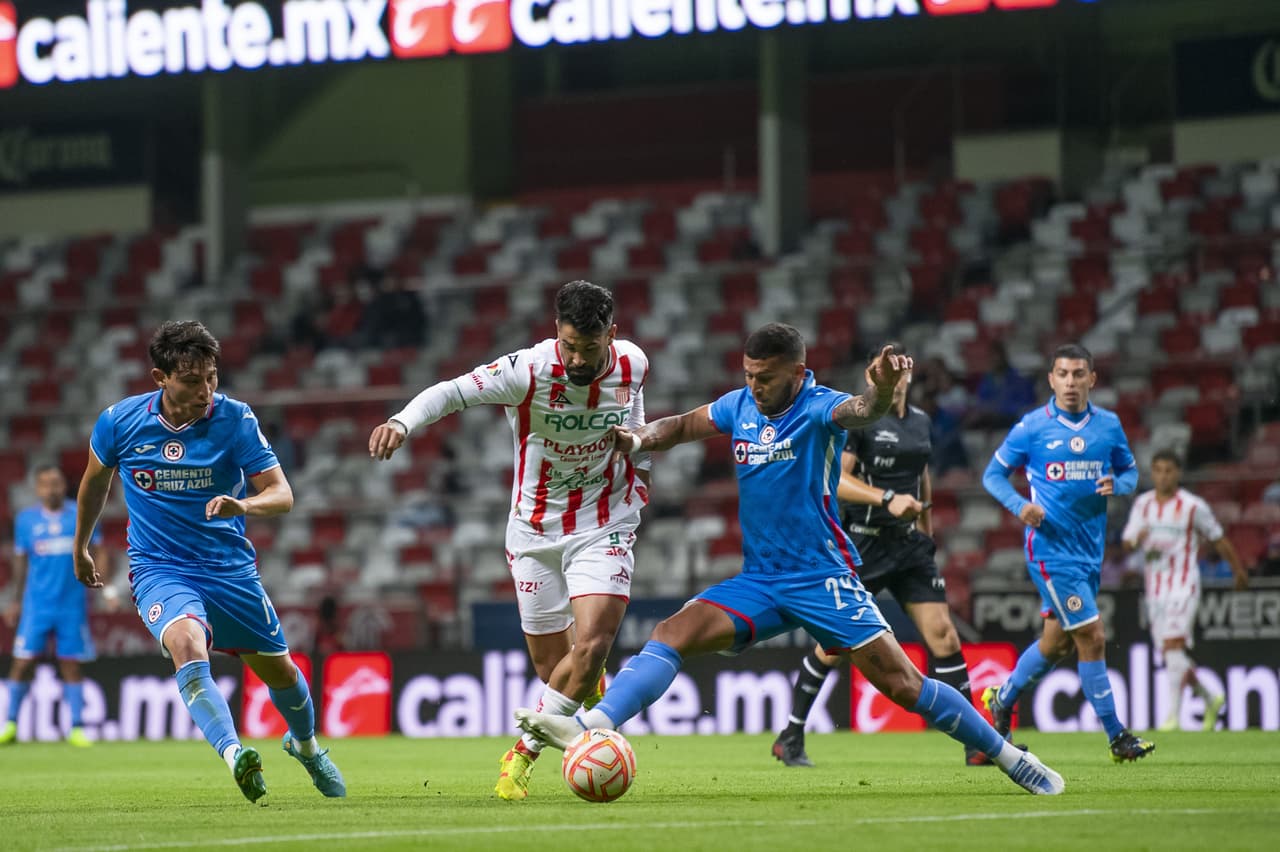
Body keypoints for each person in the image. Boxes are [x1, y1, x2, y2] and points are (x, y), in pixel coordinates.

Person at [515, 324, 1064, 796]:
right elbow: (680, 425)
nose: (754, 386)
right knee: (672, 631)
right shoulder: (739, 405)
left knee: (904, 686)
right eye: (749, 374)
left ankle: (1011, 757)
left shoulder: (820, 406)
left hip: (823, 578)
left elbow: (862, 409)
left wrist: (881, 390)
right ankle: (590, 725)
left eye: (766, 377)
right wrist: (637, 440)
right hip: (761, 581)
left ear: (798, 373)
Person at [368, 280, 652, 801]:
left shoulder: (633, 363)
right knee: (558, 671)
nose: (578, 358)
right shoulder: (529, 369)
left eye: (590, 348)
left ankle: (519, 754)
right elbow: (451, 391)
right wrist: (402, 421)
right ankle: (588, 701)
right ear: (556, 334)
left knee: (590, 647)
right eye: (569, 345)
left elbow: (633, 414)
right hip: (533, 533)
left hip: (604, 522)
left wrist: (641, 457)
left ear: (611, 335)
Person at [72, 320, 345, 802]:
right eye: (193, 381)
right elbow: (96, 481)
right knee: (184, 641)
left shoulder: (235, 419)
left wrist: (246, 505)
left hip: (228, 570)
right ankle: (235, 753)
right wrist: (81, 545)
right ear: (160, 378)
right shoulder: (119, 421)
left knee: (280, 672)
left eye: (212, 377)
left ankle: (306, 746)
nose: (206, 391)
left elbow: (282, 494)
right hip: (160, 567)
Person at [773, 344, 991, 768]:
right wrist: (887, 497)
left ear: (908, 374)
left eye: (900, 368)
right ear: (872, 376)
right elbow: (838, 482)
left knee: (944, 636)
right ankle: (791, 734)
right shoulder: (859, 422)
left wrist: (927, 532)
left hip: (908, 547)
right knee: (832, 645)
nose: (892, 375)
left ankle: (975, 743)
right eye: (881, 369)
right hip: (864, 545)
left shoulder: (922, 422)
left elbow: (921, 477)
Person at [980, 343, 1155, 763]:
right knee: (1091, 637)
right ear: (1051, 379)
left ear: (1092, 379)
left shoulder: (1109, 427)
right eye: (1063, 374)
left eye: (1079, 374)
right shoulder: (1031, 428)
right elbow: (993, 475)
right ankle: (1117, 737)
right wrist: (1020, 506)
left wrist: (1120, 485)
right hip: (1050, 552)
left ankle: (1002, 699)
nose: (1071, 382)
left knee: (1056, 644)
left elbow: (1130, 471)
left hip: (1089, 552)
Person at [1121, 450, 1248, 732]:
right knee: (1171, 655)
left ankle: (1173, 718)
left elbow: (1218, 538)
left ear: (1178, 473)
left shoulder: (1193, 506)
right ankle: (1209, 697)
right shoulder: (1143, 505)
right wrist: (1135, 541)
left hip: (1184, 585)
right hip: (1154, 590)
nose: (1163, 476)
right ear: (1152, 473)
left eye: (1168, 470)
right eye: (1158, 470)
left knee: (1173, 647)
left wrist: (1238, 569)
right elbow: (1127, 543)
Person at [1, 464, 112, 746]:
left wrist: (104, 586)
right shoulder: (26, 521)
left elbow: (99, 550)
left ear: (65, 486)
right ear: (37, 489)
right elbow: (21, 563)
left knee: (71, 664)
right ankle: (10, 723)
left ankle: (77, 728)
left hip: (71, 605)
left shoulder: (80, 513)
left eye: (56, 483)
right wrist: (15, 601)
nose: (51, 489)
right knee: (22, 662)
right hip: (36, 605)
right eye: (45, 484)